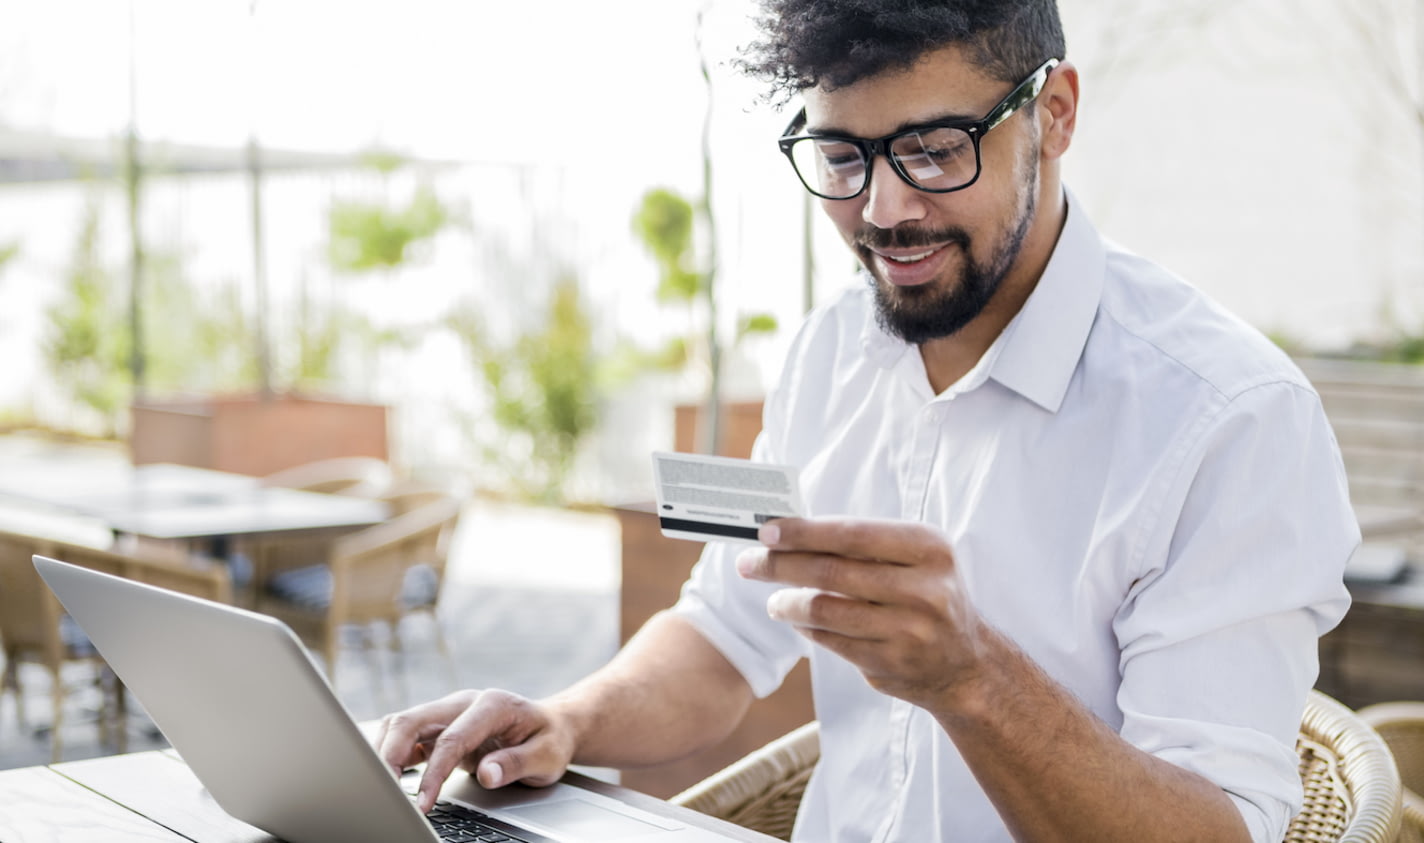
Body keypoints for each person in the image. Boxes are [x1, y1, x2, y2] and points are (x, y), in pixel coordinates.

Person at [376, 1, 1358, 840]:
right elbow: (723, 632)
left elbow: (1215, 829)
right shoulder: (826, 354)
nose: (884, 211)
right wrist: (563, 719)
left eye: (934, 151)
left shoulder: (1232, 422)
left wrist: (973, 679)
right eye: (842, 156)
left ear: (1054, 114)